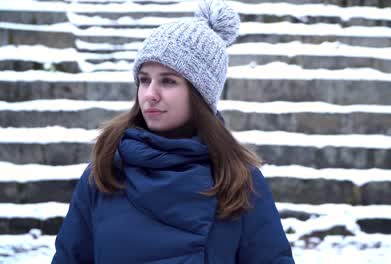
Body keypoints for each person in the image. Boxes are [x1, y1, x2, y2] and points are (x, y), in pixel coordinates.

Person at [51, 0, 295, 263]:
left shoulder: (238, 180)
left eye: (167, 81)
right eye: (144, 80)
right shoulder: (105, 171)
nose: (150, 95)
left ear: (200, 94)